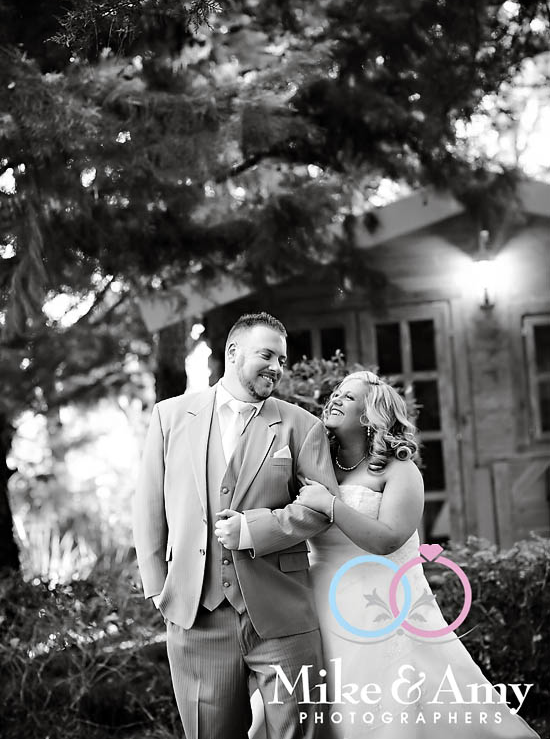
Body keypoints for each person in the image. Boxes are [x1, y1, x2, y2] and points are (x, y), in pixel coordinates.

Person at [292, 370, 540, 738]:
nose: (335, 399)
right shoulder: (314, 465)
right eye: (336, 394)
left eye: (348, 396)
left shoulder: (400, 469)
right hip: (321, 604)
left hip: (382, 606)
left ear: (369, 416)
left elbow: (388, 539)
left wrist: (330, 504)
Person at [132, 312, 339, 739]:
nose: (276, 367)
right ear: (232, 352)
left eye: (281, 360)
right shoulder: (170, 417)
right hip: (197, 616)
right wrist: (156, 587)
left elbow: (322, 508)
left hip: (283, 614)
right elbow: (149, 505)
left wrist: (254, 530)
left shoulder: (303, 426)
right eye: (267, 355)